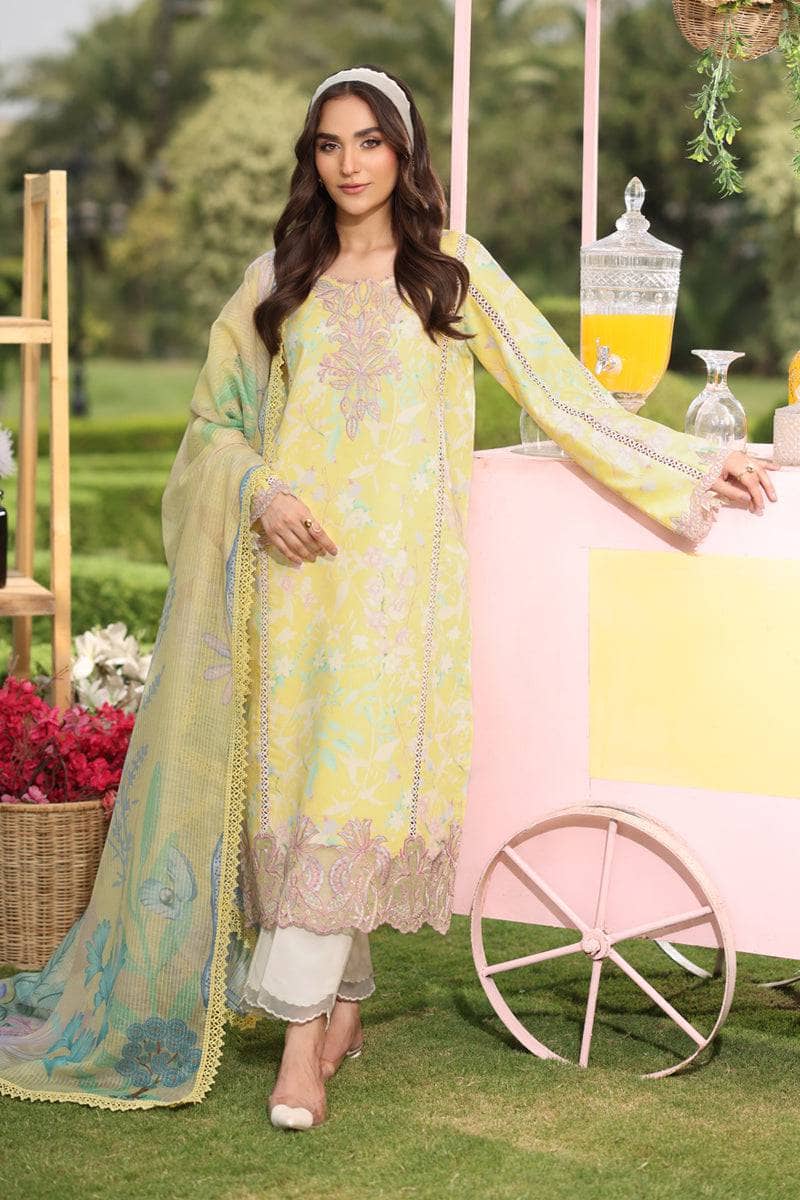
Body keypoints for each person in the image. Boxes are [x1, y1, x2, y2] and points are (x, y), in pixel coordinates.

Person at [0, 64, 779, 1127]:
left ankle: (300, 1050)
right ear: (309, 160)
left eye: (368, 141)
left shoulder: (450, 274)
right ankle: (343, 1007)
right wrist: (261, 490)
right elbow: (211, 427)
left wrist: (694, 465)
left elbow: (559, 392)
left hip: (397, 601)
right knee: (304, 806)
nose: (349, 164)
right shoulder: (277, 275)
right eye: (328, 145)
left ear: (404, 150)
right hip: (291, 590)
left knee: (347, 798)